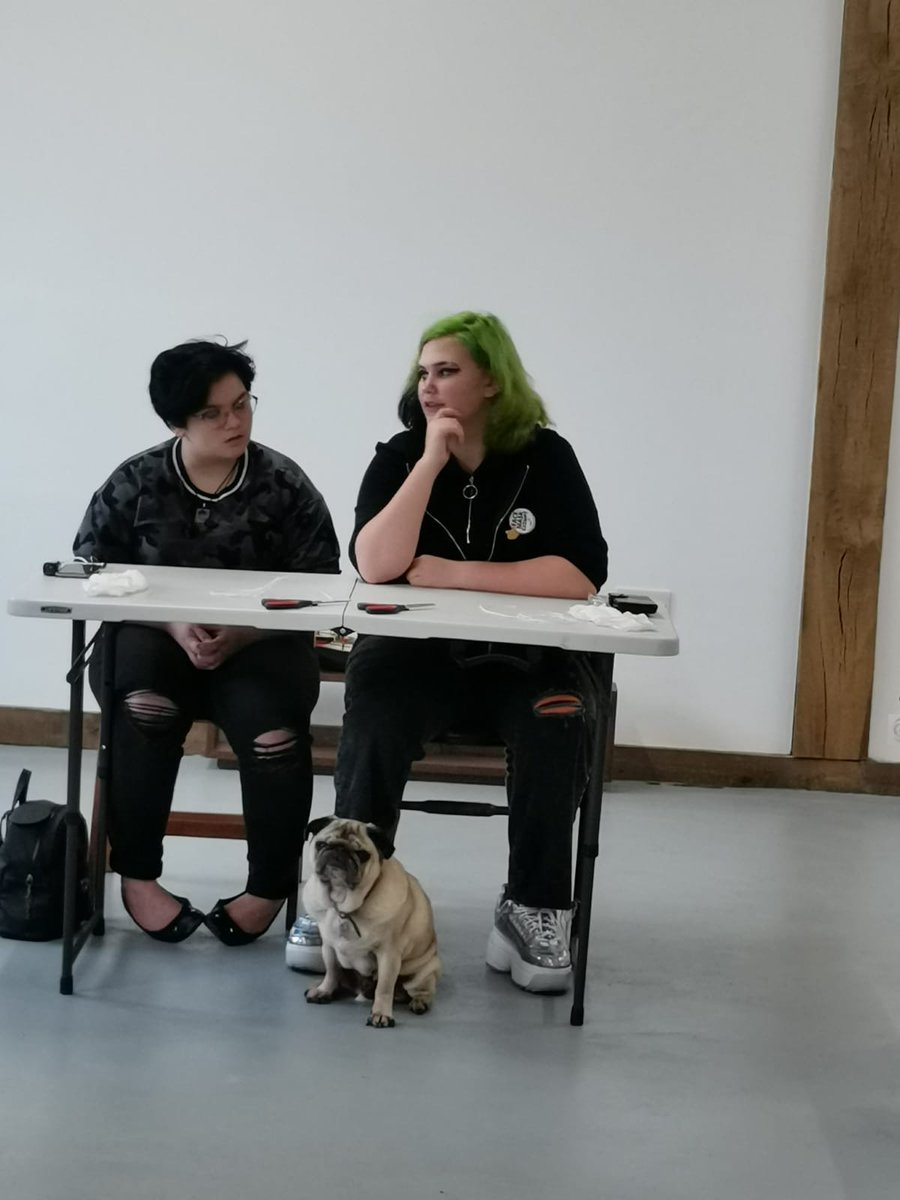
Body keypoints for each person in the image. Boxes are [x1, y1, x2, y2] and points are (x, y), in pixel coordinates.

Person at [287, 312, 607, 992]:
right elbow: (377, 564)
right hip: (416, 656)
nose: (428, 386)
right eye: (423, 373)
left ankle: (533, 906)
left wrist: (449, 573)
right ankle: (341, 902)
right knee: (374, 713)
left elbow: (579, 574)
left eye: (447, 371)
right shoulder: (400, 456)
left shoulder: (547, 457)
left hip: (525, 659)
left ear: (491, 381)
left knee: (557, 719)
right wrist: (431, 460)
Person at [74, 339, 340, 945]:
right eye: (212, 413)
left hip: (261, 645)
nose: (234, 422)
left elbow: (321, 586)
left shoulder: (284, 484)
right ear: (177, 422)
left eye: (242, 404)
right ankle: (137, 876)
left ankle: (269, 887)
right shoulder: (136, 481)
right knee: (144, 706)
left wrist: (244, 632)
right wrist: (172, 622)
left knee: (274, 736)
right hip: (152, 638)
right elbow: (91, 571)